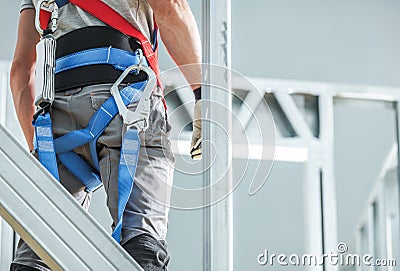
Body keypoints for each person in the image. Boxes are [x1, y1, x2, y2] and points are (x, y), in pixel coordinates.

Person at [9, 0, 202, 270]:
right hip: (128, 106)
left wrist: (41, 150)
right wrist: (201, 93)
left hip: (59, 118)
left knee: (38, 252)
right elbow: (169, 7)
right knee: (141, 247)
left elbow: (21, 70)